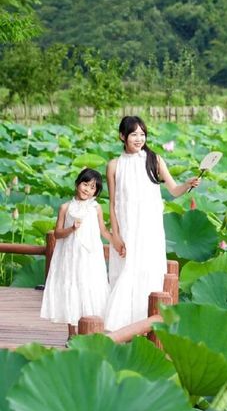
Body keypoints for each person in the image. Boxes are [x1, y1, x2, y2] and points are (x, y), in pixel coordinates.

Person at [104, 116, 200, 331]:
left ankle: (149, 324)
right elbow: (113, 204)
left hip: (150, 229)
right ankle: (120, 329)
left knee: (150, 272)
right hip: (127, 229)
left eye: (142, 134)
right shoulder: (114, 165)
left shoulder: (154, 160)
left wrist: (188, 184)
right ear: (122, 136)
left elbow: (174, 190)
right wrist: (116, 236)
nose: (139, 139)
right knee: (126, 272)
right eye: (134, 134)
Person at [40, 168, 112, 340]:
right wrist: (71, 228)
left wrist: (116, 241)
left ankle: (90, 333)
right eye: (85, 184)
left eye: (93, 187)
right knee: (72, 289)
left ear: (97, 191)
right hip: (70, 256)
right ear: (77, 183)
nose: (87, 189)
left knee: (90, 288)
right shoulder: (65, 208)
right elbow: (57, 234)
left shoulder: (96, 208)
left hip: (90, 256)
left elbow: (103, 231)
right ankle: (71, 335)